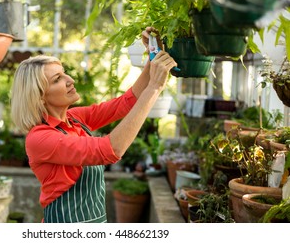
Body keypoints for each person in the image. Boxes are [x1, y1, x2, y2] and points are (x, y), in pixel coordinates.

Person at [10, 27, 177, 223]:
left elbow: (126, 103)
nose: (70, 80)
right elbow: (111, 149)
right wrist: (155, 87)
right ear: (38, 97)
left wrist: (153, 55)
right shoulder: (40, 138)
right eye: (58, 79)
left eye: (64, 74)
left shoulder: (74, 119)